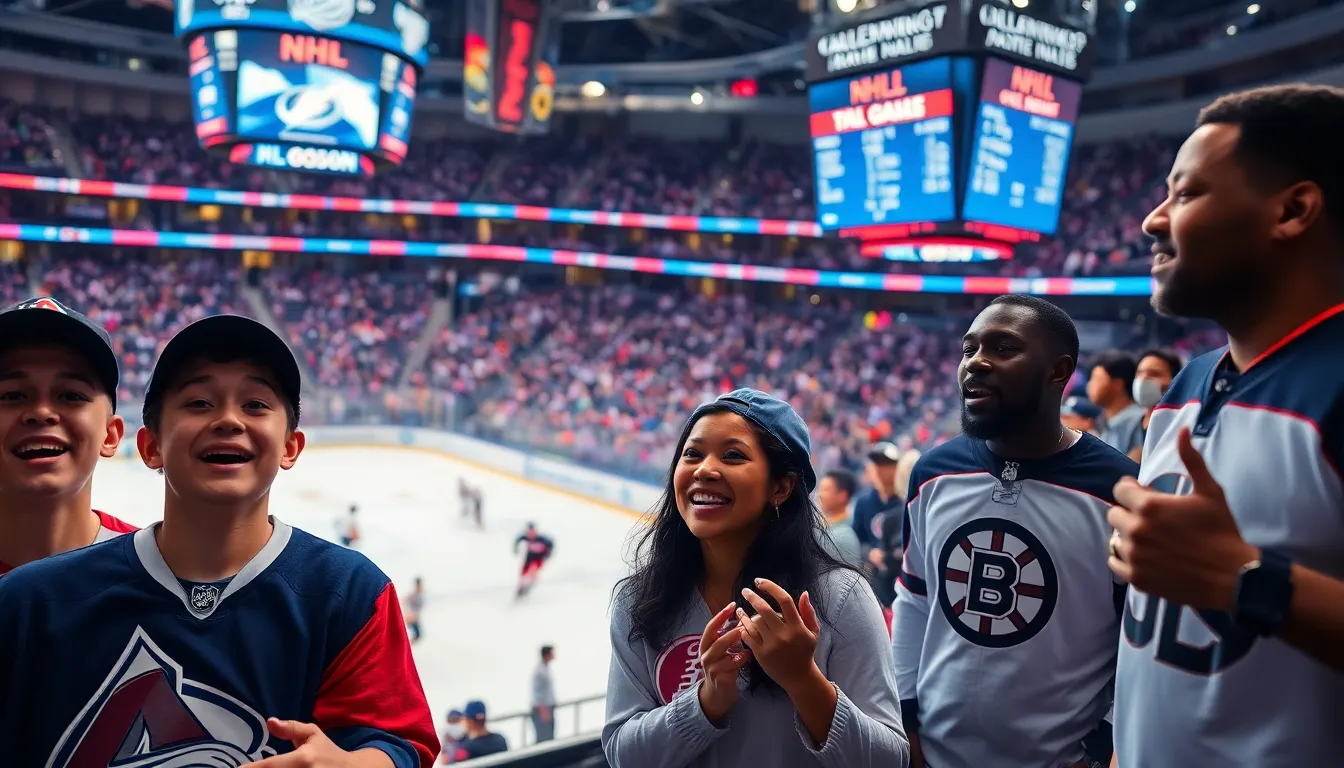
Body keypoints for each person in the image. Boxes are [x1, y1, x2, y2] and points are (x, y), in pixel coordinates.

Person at [0, 314, 439, 766]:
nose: (228, 419)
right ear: (150, 446)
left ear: (291, 446)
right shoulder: (27, 602)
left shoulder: (348, 592)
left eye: (255, 405)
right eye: (198, 403)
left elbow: (398, 743)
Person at [1108, 84, 1344, 766]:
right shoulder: (1186, 382)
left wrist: (1247, 579)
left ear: (1293, 210)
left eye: (1185, 194)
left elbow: (1229, 576)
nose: (1153, 220)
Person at [602, 388, 910, 767]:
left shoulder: (840, 597)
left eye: (733, 455)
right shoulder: (640, 600)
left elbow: (890, 760)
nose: (704, 469)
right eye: (692, 453)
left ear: (781, 487)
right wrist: (706, 701)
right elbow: (622, 756)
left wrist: (802, 679)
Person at [891, 295, 1138, 768]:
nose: (976, 363)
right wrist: (906, 720)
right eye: (969, 349)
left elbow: (1137, 639)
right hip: (932, 755)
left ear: (1058, 372)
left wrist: (1104, 746)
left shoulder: (1120, 490)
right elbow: (915, 599)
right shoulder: (933, 472)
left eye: (1003, 348)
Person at [0, 297, 136, 575]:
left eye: (71, 395)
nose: (41, 412)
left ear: (110, 435)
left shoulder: (158, 575)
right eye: (12, 395)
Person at [852, 441, 905, 611]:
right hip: (873, 578)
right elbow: (857, 539)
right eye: (876, 464)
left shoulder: (905, 502)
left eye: (886, 464)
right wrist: (869, 552)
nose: (880, 469)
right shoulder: (863, 502)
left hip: (900, 577)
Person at [1127, 348, 1184, 462]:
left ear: (1174, 380)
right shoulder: (1132, 424)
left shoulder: (1177, 425)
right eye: (1139, 373)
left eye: (1154, 374)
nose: (1143, 379)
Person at [1085, 350, 1146, 455]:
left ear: (1118, 384)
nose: (1090, 384)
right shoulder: (1103, 422)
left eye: (1097, 379)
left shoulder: (1138, 420)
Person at [816, 468, 862, 568]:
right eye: (820, 489)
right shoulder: (823, 524)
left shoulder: (845, 535)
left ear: (842, 495)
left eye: (826, 490)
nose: (819, 494)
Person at [514, 521, 554, 598]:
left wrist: (548, 553)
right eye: (529, 533)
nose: (530, 535)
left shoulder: (542, 539)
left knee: (533, 570)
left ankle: (530, 584)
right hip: (529, 557)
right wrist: (515, 549)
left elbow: (551, 544)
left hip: (539, 558)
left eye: (532, 532)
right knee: (524, 572)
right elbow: (517, 540)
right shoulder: (525, 537)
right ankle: (521, 588)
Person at [531, 645, 558, 743]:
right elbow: (538, 693)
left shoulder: (545, 669)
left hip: (548, 708)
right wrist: (543, 711)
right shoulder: (540, 671)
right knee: (544, 739)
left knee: (550, 737)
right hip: (542, 710)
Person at [406, 576, 425, 642]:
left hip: (415, 617)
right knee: (416, 635)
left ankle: (408, 648)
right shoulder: (414, 593)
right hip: (412, 617)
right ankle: (408, 649)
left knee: (417, 635)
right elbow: (405, 600)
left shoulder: (420, 593)